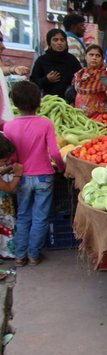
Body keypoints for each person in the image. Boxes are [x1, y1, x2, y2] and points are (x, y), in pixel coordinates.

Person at [4, 81, 65, 267]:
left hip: (21, 177)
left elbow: (11, 156)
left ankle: (19, 256)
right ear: (39, 102)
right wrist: (61, 168)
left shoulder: (9, 126)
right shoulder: (45, 124)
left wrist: (16, 165)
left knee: (23, 216)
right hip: (44, 177)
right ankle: (33, 256)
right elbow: (54, 153)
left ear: (14, 102)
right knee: (40, 217)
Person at [30, 29, 82, 99]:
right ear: (49, 43)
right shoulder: (42, 60)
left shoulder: (72, 60)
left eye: (62, 40)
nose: (59, 43)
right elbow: (33, 83)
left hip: (69, 103)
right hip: (49, 102)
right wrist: (46, 80)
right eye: (55, 40)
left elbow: (80, 78)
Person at [73, 45, 107, 117]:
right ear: (85, 57)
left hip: (99, 116)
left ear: (102, 59)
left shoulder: (105, 76)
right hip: (80, 115)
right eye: (91, 55)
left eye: (98, 56)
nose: (94, 58)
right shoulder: (80, 74)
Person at [0, 134, 23, 259]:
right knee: (5, 228)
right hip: (2, 209)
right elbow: (8, 188)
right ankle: (6, 252)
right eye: (4, 161)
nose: (6, 162)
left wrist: (7, 168)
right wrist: (17, 175)